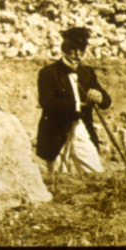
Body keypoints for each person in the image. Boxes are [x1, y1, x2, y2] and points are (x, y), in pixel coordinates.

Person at [36, 27, 112, 175]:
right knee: (58, 178)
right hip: (56, 131)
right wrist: (77, 105)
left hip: (81, 127)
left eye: (81, 50)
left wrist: (99, 96)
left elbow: (106, 101)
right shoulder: (48, 73)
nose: (77, 54)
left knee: (95, 171)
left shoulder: (87, 72)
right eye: (73, 50)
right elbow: (47, 102)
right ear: (64, 49)